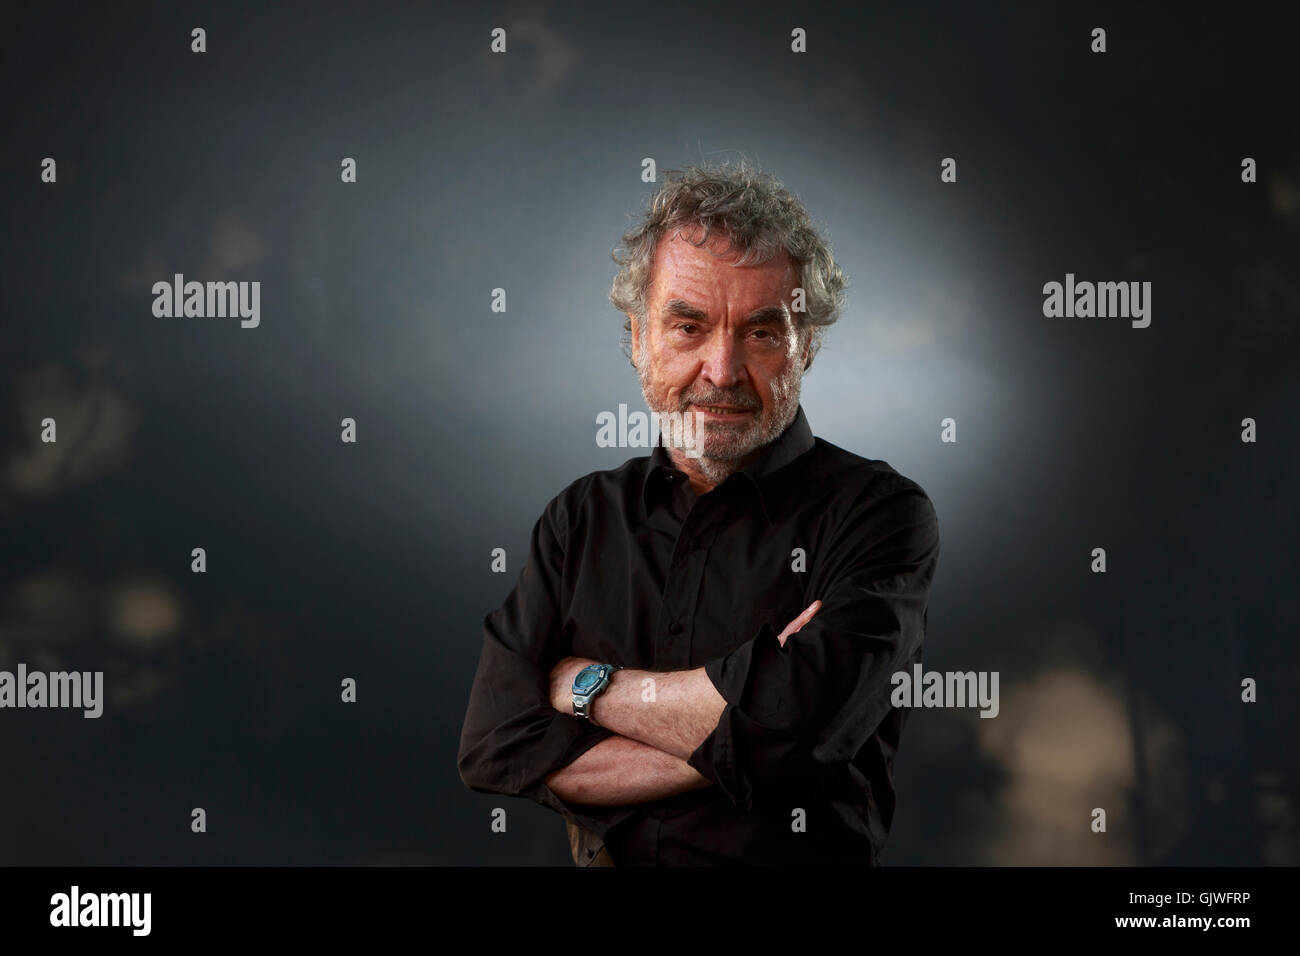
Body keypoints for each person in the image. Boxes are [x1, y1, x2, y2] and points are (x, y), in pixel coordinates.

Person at [457, 160, 940, 865]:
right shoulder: (580, 519)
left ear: (808, 343)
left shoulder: (880, 516)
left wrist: (581, 687)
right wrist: (752, 732)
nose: (721, 370)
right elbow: (494, 745)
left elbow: (801, 735)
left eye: (763, 334)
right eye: (688, 326)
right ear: (636, 335)